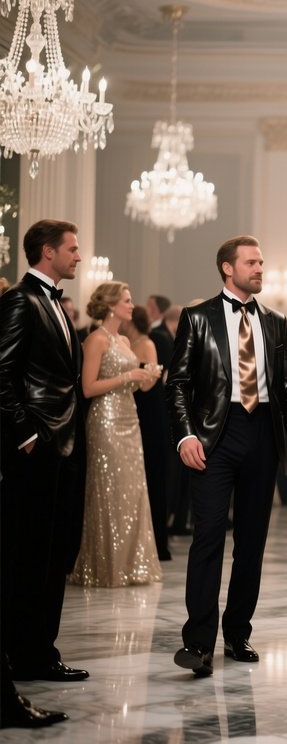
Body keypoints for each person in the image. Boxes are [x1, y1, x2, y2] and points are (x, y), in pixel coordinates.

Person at [166, 235, 287, 677]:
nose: (260, 269)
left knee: (252, 542)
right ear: (228, 268)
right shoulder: (198, 317)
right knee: (208, 536)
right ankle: (198, 642)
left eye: (261, 262)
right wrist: (185, 436)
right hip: (214, 436)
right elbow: (178, 384)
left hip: (263, 435)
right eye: (251, 262)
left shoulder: (276, 322)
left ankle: (237, 632)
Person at [0, 219, 88, 690]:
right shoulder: (20, 299)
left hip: (65, 444)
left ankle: (42, 652)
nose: (79, 256)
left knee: (56, 552)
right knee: (29, 553)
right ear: (47, 252)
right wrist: (26, 434)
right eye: (72, 248)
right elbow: (2, 373)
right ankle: (23, 654)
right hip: (38, 446)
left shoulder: (53, 301)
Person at [69, 283, 163, 587]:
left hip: (129, 418)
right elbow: (88, 388)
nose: (132, 305)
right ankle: (106, 566)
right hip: (106, 420)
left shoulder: (124, 340)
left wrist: (146, 377)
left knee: (132, 490)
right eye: (127, 300)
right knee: (108, 490)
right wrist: (128, 375)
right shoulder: (95, 339)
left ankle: (131, 564)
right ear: (111, 305)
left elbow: (133, 386)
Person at [124, 305, 172, 560]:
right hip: (128, 414)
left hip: (149, 417)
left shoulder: (147, 343)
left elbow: (148, 383)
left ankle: (156, 542)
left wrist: (126, 379)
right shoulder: (124, 343)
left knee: (152, 475)